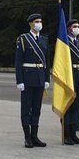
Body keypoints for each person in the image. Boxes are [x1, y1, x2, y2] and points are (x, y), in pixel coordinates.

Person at [14, 13, 50, 148]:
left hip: (40, 77)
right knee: (26, 109)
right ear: (30, 24)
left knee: (36, 109)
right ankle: (27, 137)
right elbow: (18, 61)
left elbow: (47, 61)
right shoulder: (23, 39)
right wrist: (20, 81)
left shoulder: (44, 39)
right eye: (36, 21)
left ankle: (35, 136)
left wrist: (47, 78)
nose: (39, 23)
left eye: (40, 21)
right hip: (28, 78)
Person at [63, 19, 79, 145]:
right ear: (68, 28)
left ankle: (73, 134)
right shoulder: (64, 42)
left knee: (77, 106)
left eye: (78, 26)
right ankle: (66, 135)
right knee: (69, 106)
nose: (77, 28)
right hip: (69, 75)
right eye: (74, 26)